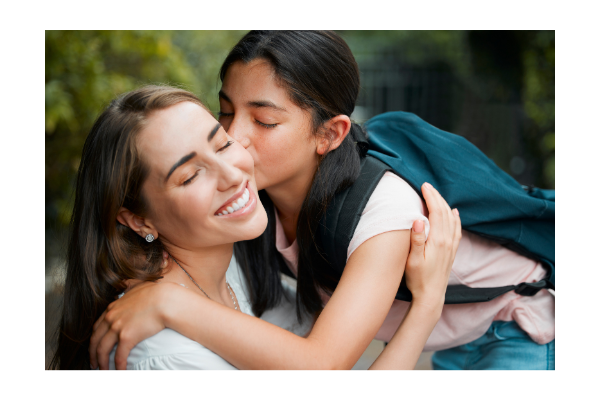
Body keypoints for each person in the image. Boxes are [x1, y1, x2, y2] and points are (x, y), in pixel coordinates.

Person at [90, 31, 554, 371]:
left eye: (264, 121)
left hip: (518, 326)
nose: (234, 139)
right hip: (451, 339)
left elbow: (322, 362)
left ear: (330, 134)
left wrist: (171, 305)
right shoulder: (255, 200)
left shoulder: (384, 214)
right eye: (227, 112)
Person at [50, 85, 461, 371]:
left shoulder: (226, 270)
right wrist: (426, 305)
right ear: (138, 219)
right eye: (191, 175)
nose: (232, 173)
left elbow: (315, 349)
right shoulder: (165, 357)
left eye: (222, 143)